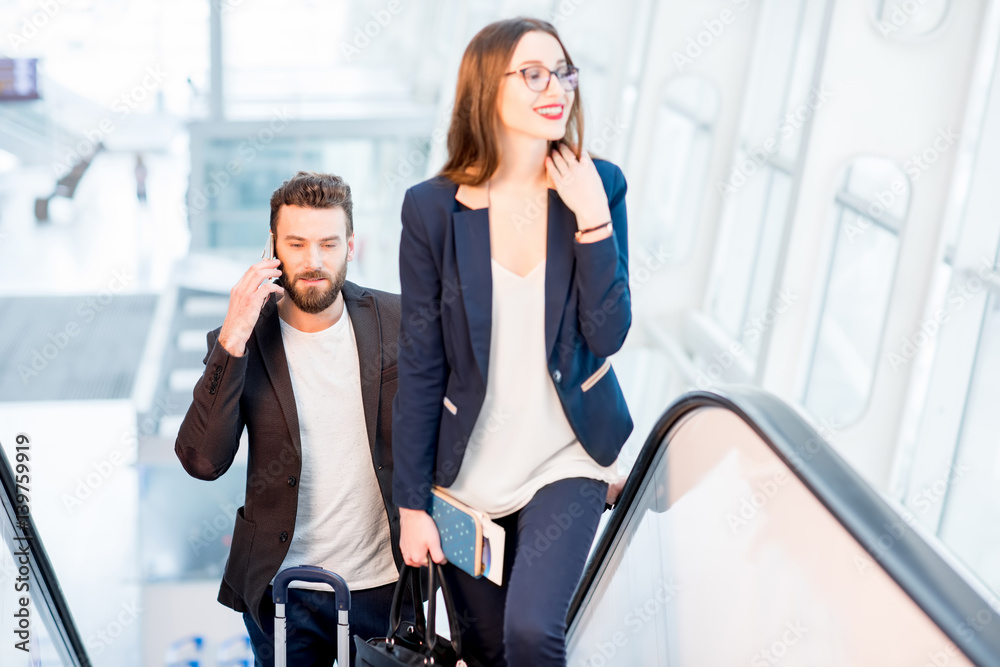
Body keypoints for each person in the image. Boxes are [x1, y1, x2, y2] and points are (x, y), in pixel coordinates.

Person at [392, 18, 632, 667]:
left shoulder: (599, 185)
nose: (556, 86)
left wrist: (593, 219)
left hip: (567, 457)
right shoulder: (432, 211)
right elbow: (421, 365)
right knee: (487, 648)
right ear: (485, 88)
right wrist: (411, 505)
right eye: (533, 73)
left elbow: (606, 332)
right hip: (469, 477)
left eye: (563, 71)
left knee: (532, 633)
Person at [175, 172, 403, 666]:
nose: (313, 261)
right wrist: (233, 335)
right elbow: (201, 459)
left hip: (386, 588)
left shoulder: (399, 320)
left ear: (351, 246)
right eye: (296, 244)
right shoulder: (239, 341)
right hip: (283, 594)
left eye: (328, 243)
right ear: (272, 248)